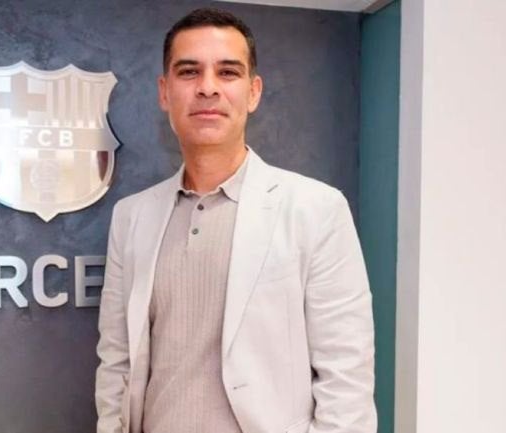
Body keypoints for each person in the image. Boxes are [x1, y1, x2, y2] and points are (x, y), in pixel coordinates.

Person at [95, 7, 376, 433]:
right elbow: (116, 361)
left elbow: (347, 375)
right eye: (189, 72)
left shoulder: (316, 209)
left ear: (253, 92)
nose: (208, 87)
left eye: (228, 72)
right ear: (164, 92)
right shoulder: (132, 217)